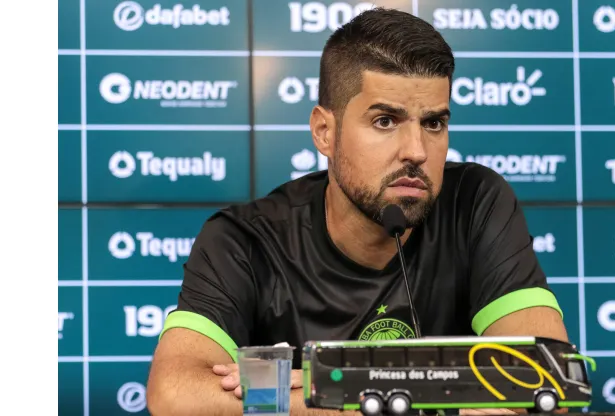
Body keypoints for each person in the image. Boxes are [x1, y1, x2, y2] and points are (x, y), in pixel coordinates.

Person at [146, 7, 569, 416]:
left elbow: (547, 376)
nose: (417, 152)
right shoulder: (244, 239)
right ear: (324, 132)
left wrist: (328, 387)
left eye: (434, 123)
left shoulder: (475, 199)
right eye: (385, 121)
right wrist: (437, 399)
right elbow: (175, 395)